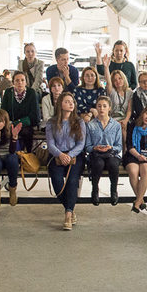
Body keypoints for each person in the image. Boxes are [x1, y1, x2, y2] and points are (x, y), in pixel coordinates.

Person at [46, 92, 86, 230]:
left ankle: (68, 214)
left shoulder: (79, 122)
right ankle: (70, 207)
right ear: (60, 104)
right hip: (56, 155)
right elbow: (50, 144)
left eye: (72, 102)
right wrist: (60, 154)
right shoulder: (51, 122)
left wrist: (69, 155)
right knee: (57, 182)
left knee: (72, 181)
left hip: (75, 156)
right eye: (67, 101)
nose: (70, 104)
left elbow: (81, 144)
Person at [85, 96, 123, 207]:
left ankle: (114, 191)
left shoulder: (116, 125)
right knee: (98, 163)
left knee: (113, 164)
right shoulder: (91, 125)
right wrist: (95, 148)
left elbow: (119, 146)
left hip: (111, 153)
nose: (101, 109)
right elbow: (87, 146)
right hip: (96, 154)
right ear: (96, 108)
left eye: (104, 106)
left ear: (109, 108)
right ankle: (95, 190)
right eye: (99, 106)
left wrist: (111, 147)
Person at [1, 71, 39, 152]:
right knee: (4, 132)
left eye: (22, 80)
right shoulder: (8, 92)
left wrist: (17, 123)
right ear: (13, 82)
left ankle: (27, 155)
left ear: (26, 82)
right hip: (10, 124)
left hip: (26, 125)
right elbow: (3, 112)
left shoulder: (31, 92)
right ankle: (8, 155)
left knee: (26, 132)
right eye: (17, 80)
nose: (20, 83)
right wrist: (9, 123)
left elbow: (35, 116)